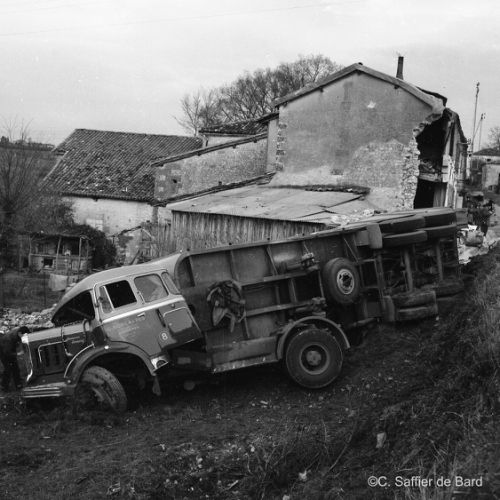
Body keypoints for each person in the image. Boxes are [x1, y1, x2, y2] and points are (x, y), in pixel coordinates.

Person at [0, 326, 28, 392]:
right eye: (23, 335)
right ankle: (4, 386)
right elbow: (6, 352)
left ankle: (18, 385)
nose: (23, 337)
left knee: (15, 368)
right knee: (8, 369)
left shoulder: (17, 333)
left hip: (9, 349)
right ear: (20, 333)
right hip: (3, 352)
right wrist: (17, 354)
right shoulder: (9, 339)